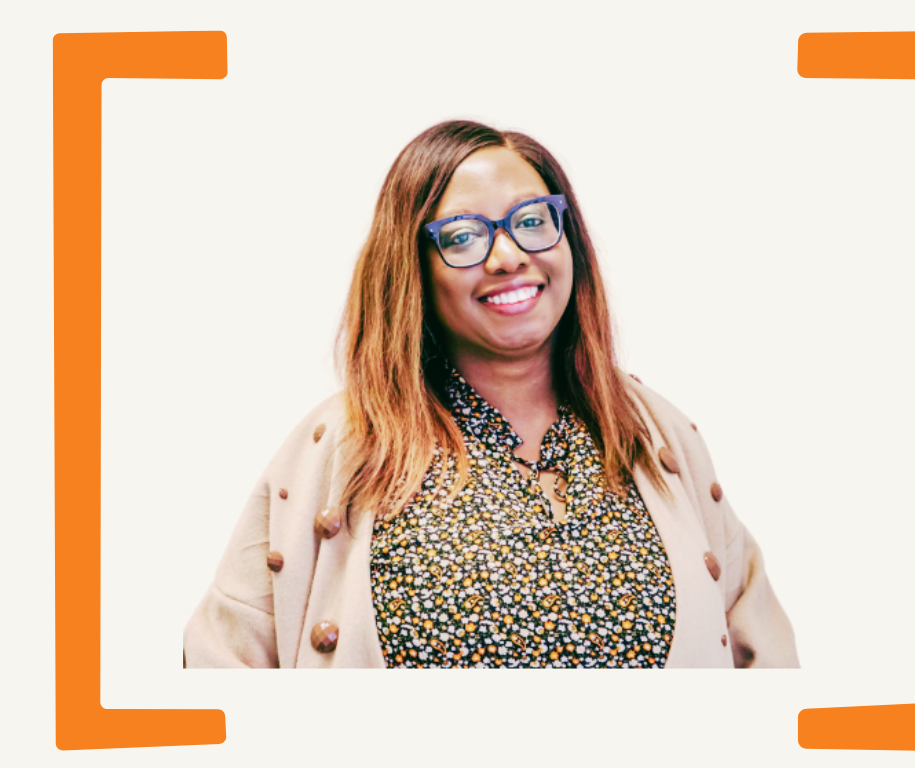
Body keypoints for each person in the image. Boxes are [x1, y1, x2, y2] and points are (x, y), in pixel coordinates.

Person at [183, 120, 799, 668]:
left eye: (532, 222)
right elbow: (219, 679)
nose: (508, 255)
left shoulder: (660, 437)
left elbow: (765, 670)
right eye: (463, 235)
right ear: (412, 264)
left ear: (570, 242)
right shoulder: (339, 449)